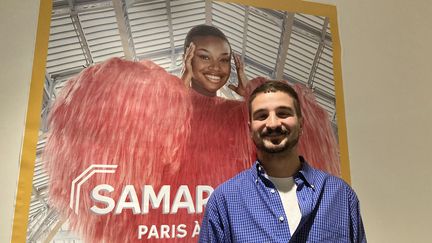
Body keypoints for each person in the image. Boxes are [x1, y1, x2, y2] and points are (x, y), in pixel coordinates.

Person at [44, 25, 340, 242]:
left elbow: (298, 133)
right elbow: (107, 118)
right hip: (168, 223)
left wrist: (253, 91)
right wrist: (177, 88)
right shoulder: (153, 107)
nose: (216, 68)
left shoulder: (239, 116)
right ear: (188, 57)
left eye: (224, 60)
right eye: (205, 57)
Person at [199, 81, 366, 242]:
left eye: (283, 113)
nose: (272, 123)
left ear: (301, 124)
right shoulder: (225, 201)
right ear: (250, 128)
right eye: (262, 115)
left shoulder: (340, 196)